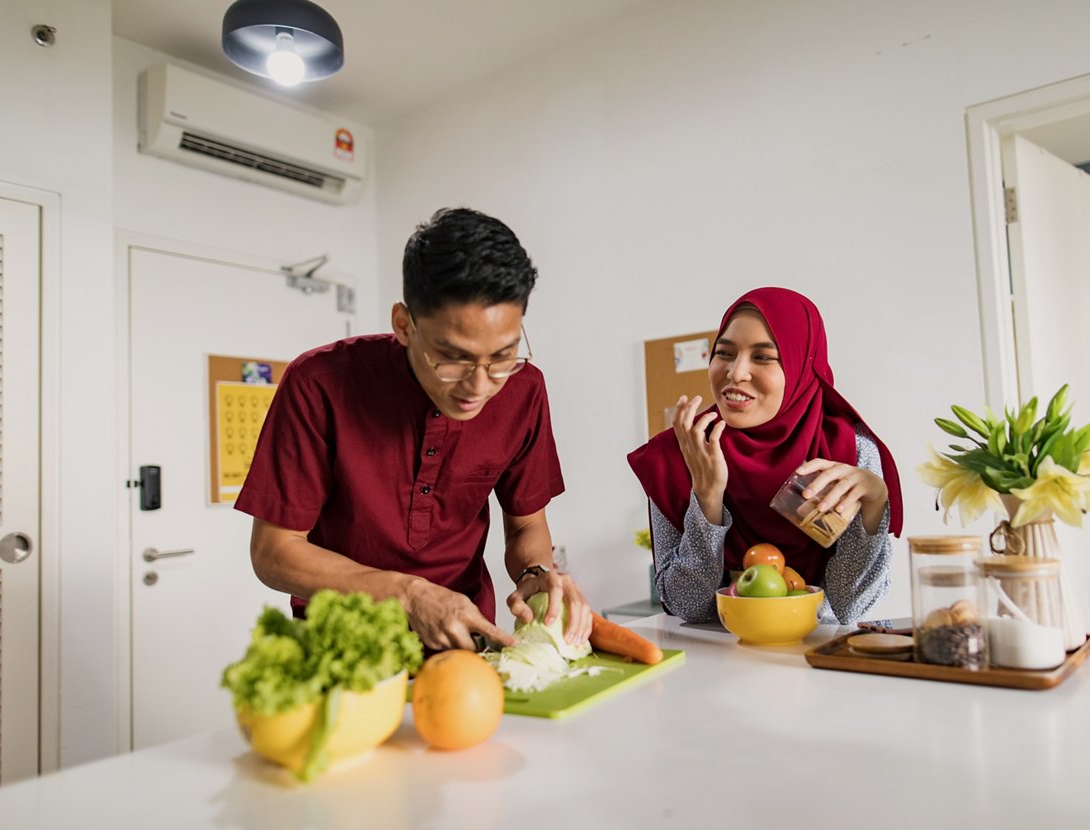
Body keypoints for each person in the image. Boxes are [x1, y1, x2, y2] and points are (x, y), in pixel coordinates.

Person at [236, 207, 591, 651]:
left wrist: (536, 574)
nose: (479, 385)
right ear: (404, 325)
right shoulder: (318, 383)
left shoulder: (524, 391)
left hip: (465, 639)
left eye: (502, 355)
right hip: (341, 646)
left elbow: (525, 528)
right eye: (453, 357)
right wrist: (409, 594)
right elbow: (274, 552)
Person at [626, 287, 903, 625]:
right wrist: (707, 499)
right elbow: (688, 607)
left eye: (762, 357)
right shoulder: (681, 453)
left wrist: (874, 506)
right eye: (724, 353)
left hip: (816, 662)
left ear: (803, 365)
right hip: (711, 663)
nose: (736, 372)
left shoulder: (847, 453)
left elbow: (850, 607)